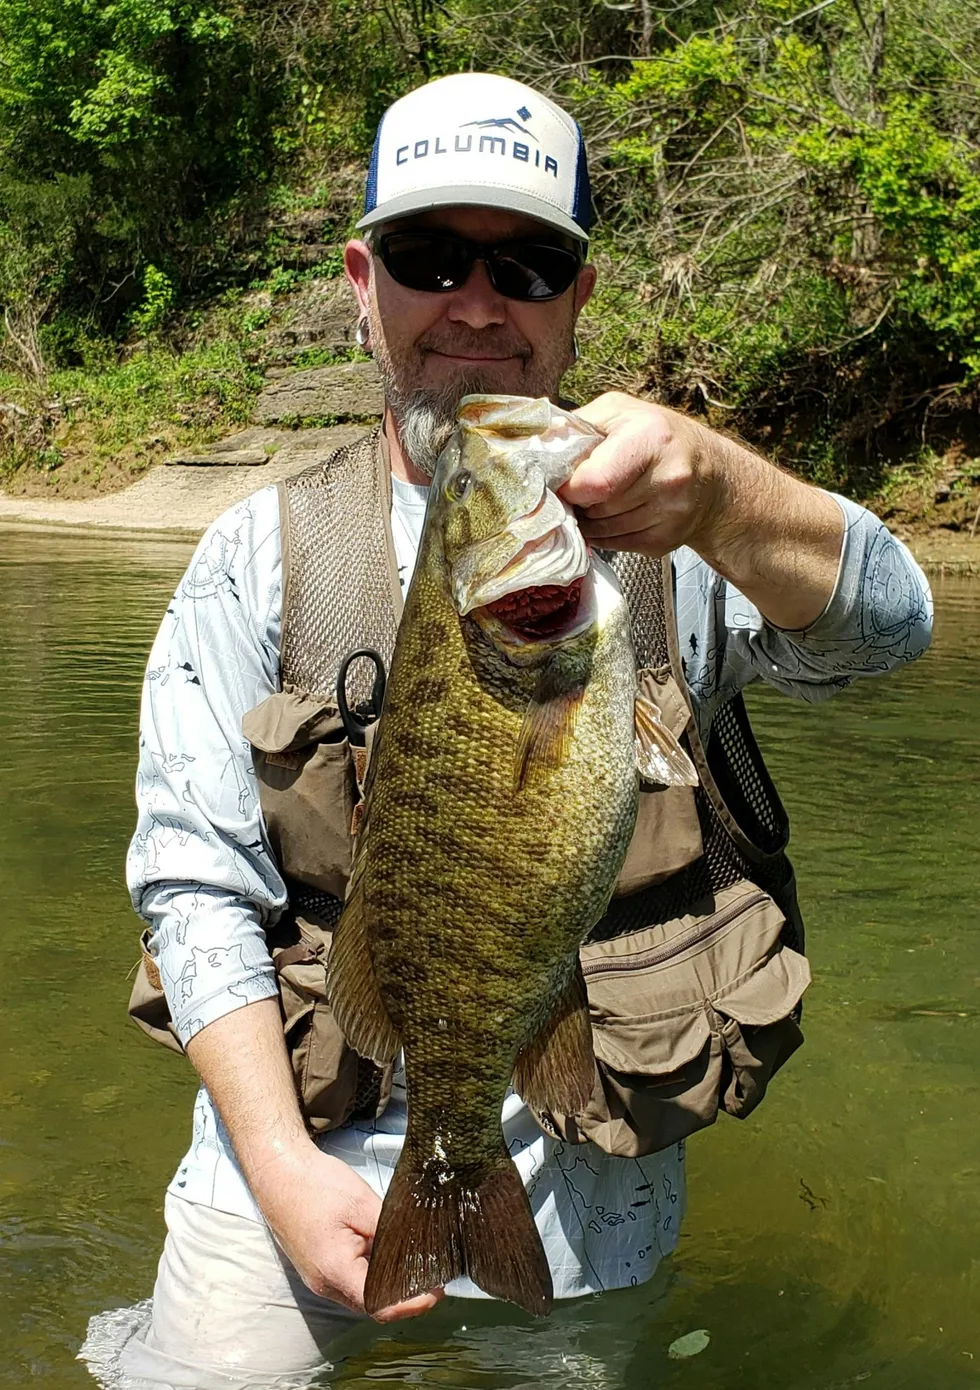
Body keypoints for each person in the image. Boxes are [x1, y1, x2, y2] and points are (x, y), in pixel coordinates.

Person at [79, 70, 932, 1389]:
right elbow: (193, 883)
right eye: (429, 258)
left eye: (525, 266)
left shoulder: (674, 525)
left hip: (595, 1196)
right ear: (361, 282)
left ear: (578, 296)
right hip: (282, 1162)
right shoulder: (252, 559)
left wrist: (726, 494)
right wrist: (284, 1170)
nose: (476, 304)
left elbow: (889, 636)